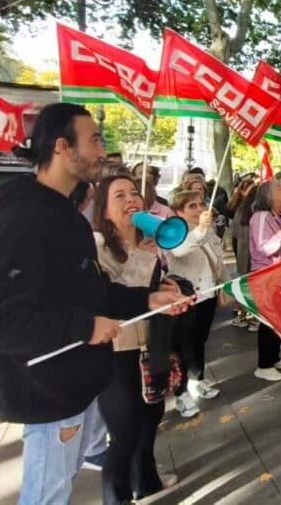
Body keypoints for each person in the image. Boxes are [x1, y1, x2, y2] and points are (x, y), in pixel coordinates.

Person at [0, 103, 188, 505]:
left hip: (76, 387)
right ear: (62, 147)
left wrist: (148, 297)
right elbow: (7, 318)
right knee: (47, 496)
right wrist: (86, 327)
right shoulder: (23, 215)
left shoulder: (65, 214)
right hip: (49, 392)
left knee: (60, 488)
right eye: (95, 140)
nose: (102, 151)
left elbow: (93, 292)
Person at [92, 175, 180, 504]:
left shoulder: (150, 242)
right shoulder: (97, 245)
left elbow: (153, 289)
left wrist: (172, 288)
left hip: (151, 344)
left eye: (134, 192)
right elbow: (110, 298)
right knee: (125, 432)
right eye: (119, 195)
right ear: (104, 209)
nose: (131, 199)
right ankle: (116, 496)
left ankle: (147, 481)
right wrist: (142, 260)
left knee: (151, 417)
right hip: (116, 351)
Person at [166, 190, 230, 416]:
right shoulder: (173, 233)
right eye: (191, 206)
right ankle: (181, 393)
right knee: (183, 346)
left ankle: (198, 379)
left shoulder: (209, 231)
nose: (199, 209)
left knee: (199, 342)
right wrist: (200, 229)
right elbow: (180, 251)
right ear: (179, 212)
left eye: (201, 204)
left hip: (208, 295)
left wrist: (227, 286)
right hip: (187, 299)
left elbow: (218, 262)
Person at [249, 178, 281, 381]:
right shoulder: (261, 217)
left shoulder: (279, 214)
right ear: (270, 196)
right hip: (269, 274)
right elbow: (264, 248)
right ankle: (264, 365)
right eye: (279, 187)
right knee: (270, 320)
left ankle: (274, 357)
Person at [231, 184, 259, 329]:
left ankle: (241, 316)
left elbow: (235, 234)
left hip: (242, 254)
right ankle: (254, 319)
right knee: (255, 288)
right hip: (256, 256)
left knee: (245, 286)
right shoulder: (260, 215)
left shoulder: (240, 211)